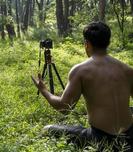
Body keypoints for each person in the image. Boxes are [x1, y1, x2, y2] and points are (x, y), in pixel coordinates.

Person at [32, 22, 133, 151]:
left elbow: (64, 108)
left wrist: (44, 90)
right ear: (108, 42)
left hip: (100, 138)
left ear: (87, 44)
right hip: (130, 137)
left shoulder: (81, 70)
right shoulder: (128, 70)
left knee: (47, 129)